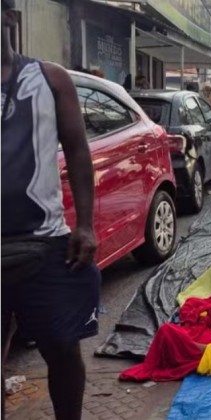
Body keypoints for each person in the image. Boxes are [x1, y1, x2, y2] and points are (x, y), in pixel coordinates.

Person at [2, 1, 100, 418]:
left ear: (9, 16)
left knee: (62, 350)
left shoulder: (49, 79)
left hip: (45, 245)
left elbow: (78, 150)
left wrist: (86, 225)